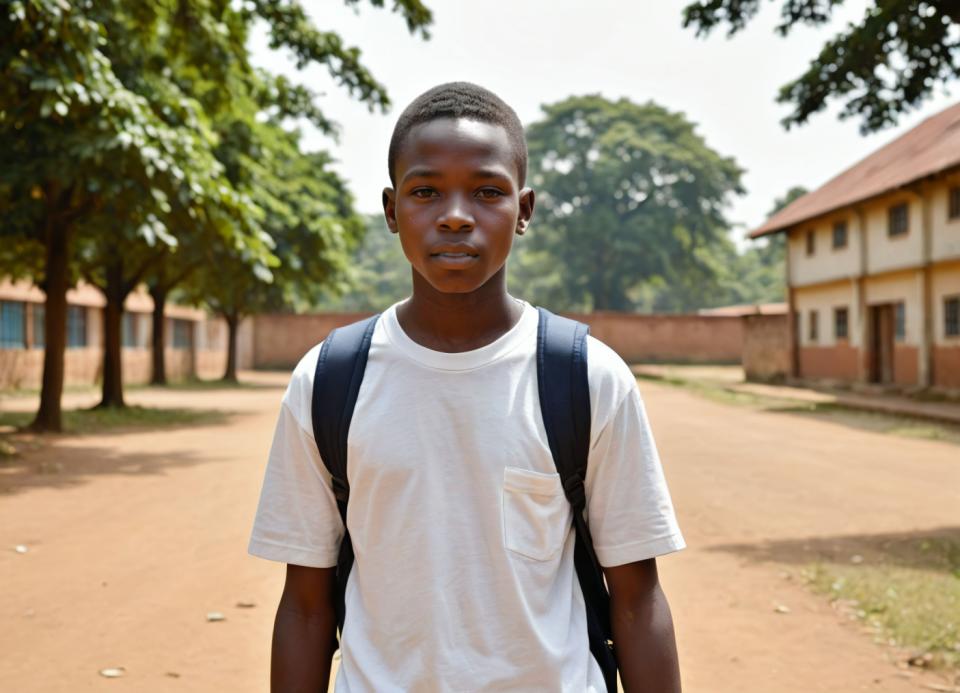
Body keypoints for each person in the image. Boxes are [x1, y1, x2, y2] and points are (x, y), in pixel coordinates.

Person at [248, 82, 685, 692]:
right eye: (425, 191)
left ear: (524, 210)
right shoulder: (329, 380)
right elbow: (305, 605)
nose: (455, 214)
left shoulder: (586, 377)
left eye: (487, 191)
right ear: (391, 209)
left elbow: (637, 601)